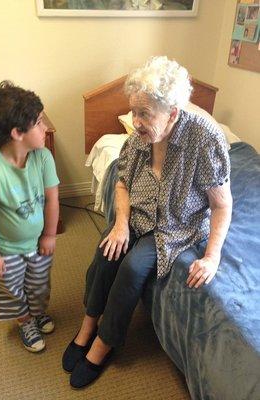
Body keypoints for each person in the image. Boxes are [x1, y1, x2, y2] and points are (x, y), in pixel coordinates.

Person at [62, 56, 232, 388]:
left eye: (144, 114)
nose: (136, 122)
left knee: (132, 268)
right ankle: (87, 325)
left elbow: (222, 205)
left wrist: (212, 257)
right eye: (133, 112)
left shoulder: (205, 139)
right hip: (137, 214)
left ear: (172, 112)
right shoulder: (136, 138)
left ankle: (104, 342)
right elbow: (122, 183)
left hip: (176, 223)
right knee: (106, 252)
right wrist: (120, 223)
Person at [0, 82, 60, 353]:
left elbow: (53, 198)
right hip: (5, 249)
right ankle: (25, 320)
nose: (45, 129)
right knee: (13, 289)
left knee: (39, 284)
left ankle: (37, 311)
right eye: (39, 123)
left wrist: (49, 234)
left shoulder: (43, 157)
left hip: (38, 244)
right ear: (17, 133)